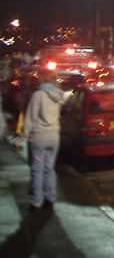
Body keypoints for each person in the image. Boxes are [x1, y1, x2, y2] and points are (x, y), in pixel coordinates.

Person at [18, 69, 66, 211]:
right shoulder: (59, 95)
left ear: (42, 79)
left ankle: (36, 201)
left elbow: (30, 118)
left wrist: (23, 137)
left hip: (39, 136)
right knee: (49, 168)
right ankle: (50, 198)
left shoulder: (38, 95)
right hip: (54, 136)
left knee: (37, 170)